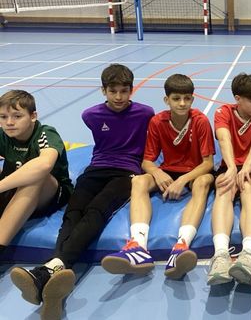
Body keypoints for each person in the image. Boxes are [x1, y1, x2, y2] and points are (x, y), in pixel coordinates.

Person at [10, 64, 154, 320]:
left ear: (132, 90)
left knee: (97, 210)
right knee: (74, 212)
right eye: (113, 91)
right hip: (95, 168)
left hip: (126, 172)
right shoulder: (91, 115)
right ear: (103, 91)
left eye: (124, 91)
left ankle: (49, 268)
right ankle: (56, 268)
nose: (119, 97)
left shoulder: (145, 113)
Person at [101, 74, 215, 279]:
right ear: (166, 100)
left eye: (187, 98)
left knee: (205, 181)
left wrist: (182, 180)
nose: (182, 103)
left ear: (192, 99)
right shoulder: (157, 121)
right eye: (176, 98)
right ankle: (138, 246)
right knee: (139, 180)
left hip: (194, 173)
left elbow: (208, 164)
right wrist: (157, 172)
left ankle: (181, 246)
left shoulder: (200, 121)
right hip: (168, 170)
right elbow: (147, 161)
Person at [207, 73, 251, 286]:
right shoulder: (223, 112)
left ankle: (249, 254)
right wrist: (231, 167)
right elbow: (224, 138)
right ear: (238, 98)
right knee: (224, 189)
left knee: (247, 187)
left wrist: (246, 166)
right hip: (231, 164)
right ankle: (220, 254)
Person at [0, 90, 72, 257]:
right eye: (3, 117)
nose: (9, 122)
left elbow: (44, 164)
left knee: (36, 176)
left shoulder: (45, 133)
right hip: (13, 190)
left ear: (33, 116)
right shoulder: (3, 135)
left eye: (17, 116)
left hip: (50, 192)